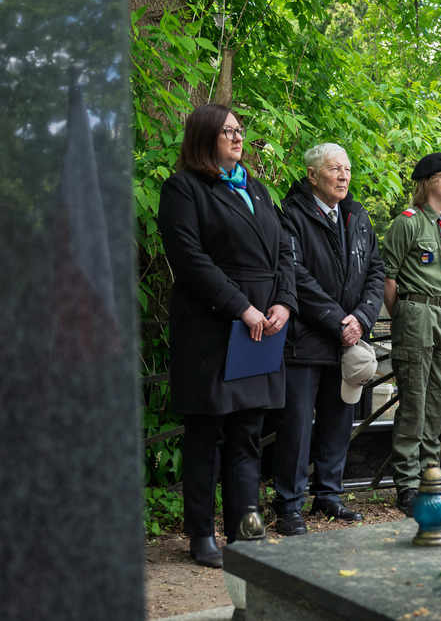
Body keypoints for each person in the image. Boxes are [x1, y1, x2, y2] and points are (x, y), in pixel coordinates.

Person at [158, 104, 296, 568]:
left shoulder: (256, 189)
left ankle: (245, 529)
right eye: (227, 131)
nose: (238, 138)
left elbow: (283, 253)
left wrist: (282, 302)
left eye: (239, 130)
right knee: (206, 435)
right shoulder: (183, 189)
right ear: (203, 137)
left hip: (263, 326)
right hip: (212, 327)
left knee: (247, 434)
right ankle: (201, 534)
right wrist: (242, 307)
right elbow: (191, 259)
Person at [270, 143, 385, 535]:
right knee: (297, 426)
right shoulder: (291, 214)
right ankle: (288, 503)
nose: (343, 176)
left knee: (339, 421)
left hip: (348, 340)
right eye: (334, 169)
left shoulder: (357, 215)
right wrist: (339, 320)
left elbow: (375, 268)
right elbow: (295, 275)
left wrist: (363, 318)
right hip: (306, 338)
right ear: (313, 175)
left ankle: (328, 495)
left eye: (347, 170)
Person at [382, 152, 441, 516]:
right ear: (429, 181)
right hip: (416, 312)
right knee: (413, 402)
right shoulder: (408, 223)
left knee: (437, 403)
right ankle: (407, 485)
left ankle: (430, 479)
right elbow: (389, 279)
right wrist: (404, 316)